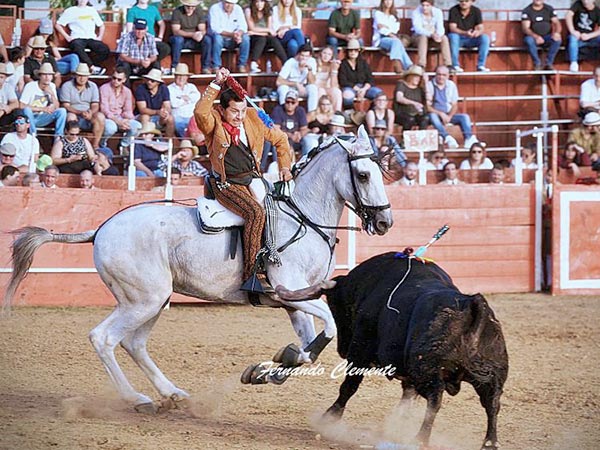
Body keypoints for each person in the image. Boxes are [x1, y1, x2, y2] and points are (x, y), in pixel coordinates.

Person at [193, 67, 293, 290]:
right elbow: (200, 113)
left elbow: (281, 139)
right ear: (222, 109)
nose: (239, 116)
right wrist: (215, 84)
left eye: (243, 110)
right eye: (234, 112)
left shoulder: (253, 120)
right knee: (255, 213)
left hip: (253, 180)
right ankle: (251, 275)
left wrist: (285, 167)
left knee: (281, 211)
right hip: (225, 184)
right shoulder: (214, 122)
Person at [427, 64, 478, 149]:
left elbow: (454, 104)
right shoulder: (429, 85)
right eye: (439, 74)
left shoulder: (451, 85)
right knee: (432, 115)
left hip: (448, 113)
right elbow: (428, 107)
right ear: (435, 74)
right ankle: (447, 137)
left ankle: (468, 139)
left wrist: (449, 116)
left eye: (444, 75)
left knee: (464, 117)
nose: (441, 77)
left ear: (448, 76)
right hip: (435, 114)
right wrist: (441, 114)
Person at [55, 0, 110, 76]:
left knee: (104, 49)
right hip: (77, 37)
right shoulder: (70, 10)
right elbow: (58, 25)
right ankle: (92, 67)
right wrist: (67, 36)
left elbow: (101, 25)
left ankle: (87, 66)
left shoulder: (92, 10)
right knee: (77, 46)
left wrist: (100, 37)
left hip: (91, 38)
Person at [59, 63, 105, 148]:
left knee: (100, 116)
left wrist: (90, 112)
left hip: (88, 114)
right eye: (79, 75)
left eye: (84, 76)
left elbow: (95, 104)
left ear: (88, 76)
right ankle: (72, 146)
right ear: (75, 75)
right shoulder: (67, 85)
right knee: (71, 117)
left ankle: (95, 145)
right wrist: (80, 112)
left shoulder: (93, 86)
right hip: (74, 112)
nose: (82, 78)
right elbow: (66, 105)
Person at [19, 63, 67, 136]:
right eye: (44, 74)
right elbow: (21, 105)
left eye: (49, 75)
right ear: (40, 76)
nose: (47, 77)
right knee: (27, 110)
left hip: (43, 117)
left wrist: (52, 94)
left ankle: (59, 137)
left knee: (62, 111)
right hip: (29, 117)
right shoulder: (30, 86)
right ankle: (33, 134)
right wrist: (42, 109)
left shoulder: (52, 86)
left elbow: (57, 107)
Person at [100, 67, 142, 148]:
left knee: (137, 126)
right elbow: (104, 110)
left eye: (119, 79)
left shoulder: (127, 91)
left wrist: (126, 121)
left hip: (120, 117)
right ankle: (102, 144)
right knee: (111, 128)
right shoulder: (104, 88)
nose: (115, 81)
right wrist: (118, 121)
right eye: (114, 78)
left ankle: (123, 145)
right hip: (107, 118)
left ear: (124, 80)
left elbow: (128, 111)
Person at [338, 39, 383, 110]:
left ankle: (372, 112)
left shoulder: (364, 63)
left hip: (364, 87)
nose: (353, 52)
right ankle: (350, 112)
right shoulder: (343, 64)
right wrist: (357, 89)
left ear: (358, 51)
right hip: (350, 87)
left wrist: (363, 89)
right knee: (347, 95)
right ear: (347, 51)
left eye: (355, 50)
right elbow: (343, 81)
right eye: (350, 50)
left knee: (379, 93)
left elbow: (370, 79)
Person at [170, 0, 213, 75]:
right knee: (178, 40)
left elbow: (203, 29)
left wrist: (200, 34)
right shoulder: (177, 11)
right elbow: (176, 31)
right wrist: (193, 34)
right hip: (181, 39)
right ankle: (174, 67)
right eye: (188, 6)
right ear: (184, 5)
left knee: (207, 40)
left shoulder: (199, 11)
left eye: (192, 6)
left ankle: (205, 67)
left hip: (194, 39)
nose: (190, 8)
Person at [245, 0, 287, 73]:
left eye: (262, 2)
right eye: (257, 2)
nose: (259, 4)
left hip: (263, 37)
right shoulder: (248, 10)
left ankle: (285, 63)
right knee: (261, 39)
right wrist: (266, 30)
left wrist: (255, 32)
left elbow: (270, 31)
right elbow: (252, 28)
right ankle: (254, 63)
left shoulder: (268, 11)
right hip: (253, 39)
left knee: (273, 39)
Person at [447, 0, 490, 72]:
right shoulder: (453, 10)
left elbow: (481, 28)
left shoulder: (476, 11)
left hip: (471, 38)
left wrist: (477, 32)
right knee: (453, 36)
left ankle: (481, 65)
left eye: (466, 1)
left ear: (472, 1)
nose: (463, 3)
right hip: (458, 39)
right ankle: (455, 65)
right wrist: (465, 33)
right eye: (461, 1)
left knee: (485, 38)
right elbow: (452, 28)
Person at [126, 0, 171, 68]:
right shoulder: (132, 11)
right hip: (138, 40)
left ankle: (149, 62)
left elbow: (162, 24)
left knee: (165, 48)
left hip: (152, 40)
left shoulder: (153, 9)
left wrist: (160, 37)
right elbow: (129, 29)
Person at [208, 0, 250, 73]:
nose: (229, 5)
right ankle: (216, 66)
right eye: (227, 3)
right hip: (221, 37)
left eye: (231, 3)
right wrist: (233, 34)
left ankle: (241, 65)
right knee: (217, 38)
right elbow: (215, 29)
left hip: (235, 38)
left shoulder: (238, 9)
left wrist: (239, 34)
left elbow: (243, 27)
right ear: (223, 2)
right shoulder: (215, 8)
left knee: (246, 38)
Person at [276, 44, 318, 114]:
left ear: (310, 56)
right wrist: (295, 84)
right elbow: (278, 81)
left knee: (313, 88)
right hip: (290, 88)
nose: (304, 58)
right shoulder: (290, 62)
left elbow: (312, 82)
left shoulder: (312, 61)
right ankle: (283, 114)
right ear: (298, 54)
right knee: (282, 88)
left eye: (306, 56)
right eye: (302, 55)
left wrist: (309, 70)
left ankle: (312, 114)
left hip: (303, 88)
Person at [373, 0, 413, 74]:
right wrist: (389, 32)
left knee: (397, 42)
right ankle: (401, 64)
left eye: (390, 0)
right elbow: (381, 29)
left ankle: (408, 65)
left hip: (392, 38)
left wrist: (386, 28)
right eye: (386, 0)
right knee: (396, 41)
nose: (388, 2)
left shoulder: (394, 15)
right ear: (383, 2)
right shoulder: (378, 13)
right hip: (380, 39)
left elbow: (395, 29)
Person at [521, 0, 562, 71]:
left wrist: (557, 33)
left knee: (558, 40)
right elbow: (525, 28)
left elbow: (557, 23)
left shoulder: (549, 9)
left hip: (547, 36)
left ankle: (548, 63)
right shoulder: (527, 10)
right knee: (529, 40)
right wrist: (536, 37)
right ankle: (537, 63)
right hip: (533, 37)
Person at [411, 0, 451, 70]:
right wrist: (431, 34)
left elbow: (441, 28)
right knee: (423, 37)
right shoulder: (416, 12)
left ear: (432, 5)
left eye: (427, 5)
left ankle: (448, 64)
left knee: (444, 38)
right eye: (423, 5)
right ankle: (422, 64)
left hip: (434, 38)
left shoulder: (438, 12)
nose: (424, 8)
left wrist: (438, 35)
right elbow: (418, 29)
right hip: (418, 37)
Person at [135, 68, 174, 137]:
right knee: (145, 117)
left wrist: (165, 112)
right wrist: (157, 112)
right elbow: (142, 110)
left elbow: (167, 105)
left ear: (158, 83)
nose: (149, 82)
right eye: (148, 80)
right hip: (141, 115)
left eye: (152, 81)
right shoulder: (141, 88)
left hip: (158, 115)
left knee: (170, 118)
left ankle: (168, 143)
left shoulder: (164, 88)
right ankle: (144, 142)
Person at [565, 0, 600, 73]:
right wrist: (573, 31)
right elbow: (568, 15)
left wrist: (589, 36)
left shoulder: (597, 11)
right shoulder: (578, 4)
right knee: (572, 38)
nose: (585, 0)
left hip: (590, 38)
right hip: (577, 37)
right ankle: (574, 62)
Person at [271, 89, 309, 155]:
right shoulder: (278, 110)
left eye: (293, 102)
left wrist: (299, 134)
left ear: (297, 103)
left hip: (296, 139)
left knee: (308, 142)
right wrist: (290, 135)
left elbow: (304, 129)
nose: (290, 104)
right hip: (282, 138)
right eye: (287, 102)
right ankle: (278, 164)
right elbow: (276, 129)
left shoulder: (300, 111)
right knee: (277, 144)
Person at [168, 63, 201, 137]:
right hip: (178, 118)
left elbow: (198, 97)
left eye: (183, 76)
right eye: (179, 75)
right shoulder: (169, 88)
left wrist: (182, 98)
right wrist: (188, 99)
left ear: (187, 77)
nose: (181, 78)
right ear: (175, 76)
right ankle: (186, 144)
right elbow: (174, 103)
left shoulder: (192, 86)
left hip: (192, 117)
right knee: (179, 126)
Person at [394, 64, 428, 131]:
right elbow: (399, 98)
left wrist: (426, 83)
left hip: (417, 114)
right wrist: (414, 103)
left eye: (419, 77)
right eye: (416, 77)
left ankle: (421, 138)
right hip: (403, 113)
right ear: (410, 76)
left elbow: (429, 99)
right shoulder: (401, 84)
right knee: (410, 120)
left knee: (425, 119)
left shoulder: (420, 89)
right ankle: (405, 139)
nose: (418, 79)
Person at [314, 46, 342, 112]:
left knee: (337, 91)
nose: (326, 56)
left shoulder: (332, 65)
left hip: (328, 88)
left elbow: (334, 85)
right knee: (321, 91)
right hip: (316, 87)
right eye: (324, 53)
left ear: (332, 57)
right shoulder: (314, 63)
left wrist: (334, 70)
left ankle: (337, 113)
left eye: (329, 54)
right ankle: (318, 114)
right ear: (321, 53)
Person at [0, 63, 18, 128]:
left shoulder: (7, 87)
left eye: (1, 77)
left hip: (3, 113)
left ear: (5, 78)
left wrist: (5, 109)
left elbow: (16, 103)